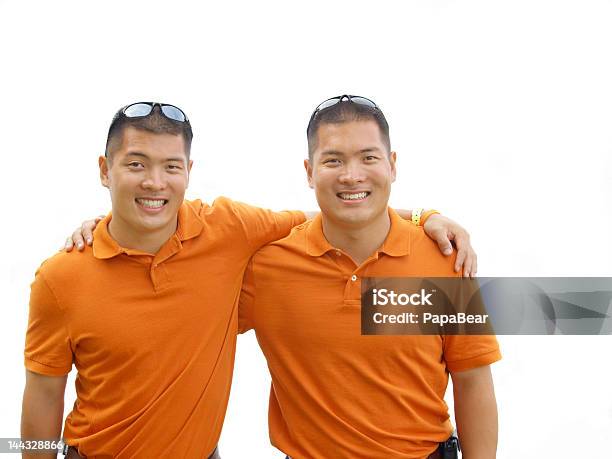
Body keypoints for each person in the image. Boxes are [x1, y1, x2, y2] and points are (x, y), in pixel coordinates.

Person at [22, 101, 475, 458]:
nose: (154, 182)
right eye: (136, 165)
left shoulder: (229, 230)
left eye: (171, 167)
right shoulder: (61, 277)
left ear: (188, 172)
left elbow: (339, 211)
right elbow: (42, 399)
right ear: (105, 170)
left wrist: (423, 215)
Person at [238, 95, 500, 458]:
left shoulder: (442, 259)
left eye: (369, 157)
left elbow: (472, 380)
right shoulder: (266, 267)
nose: (351, 174)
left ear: (392, 165)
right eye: (333, 160)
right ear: (309, 171)